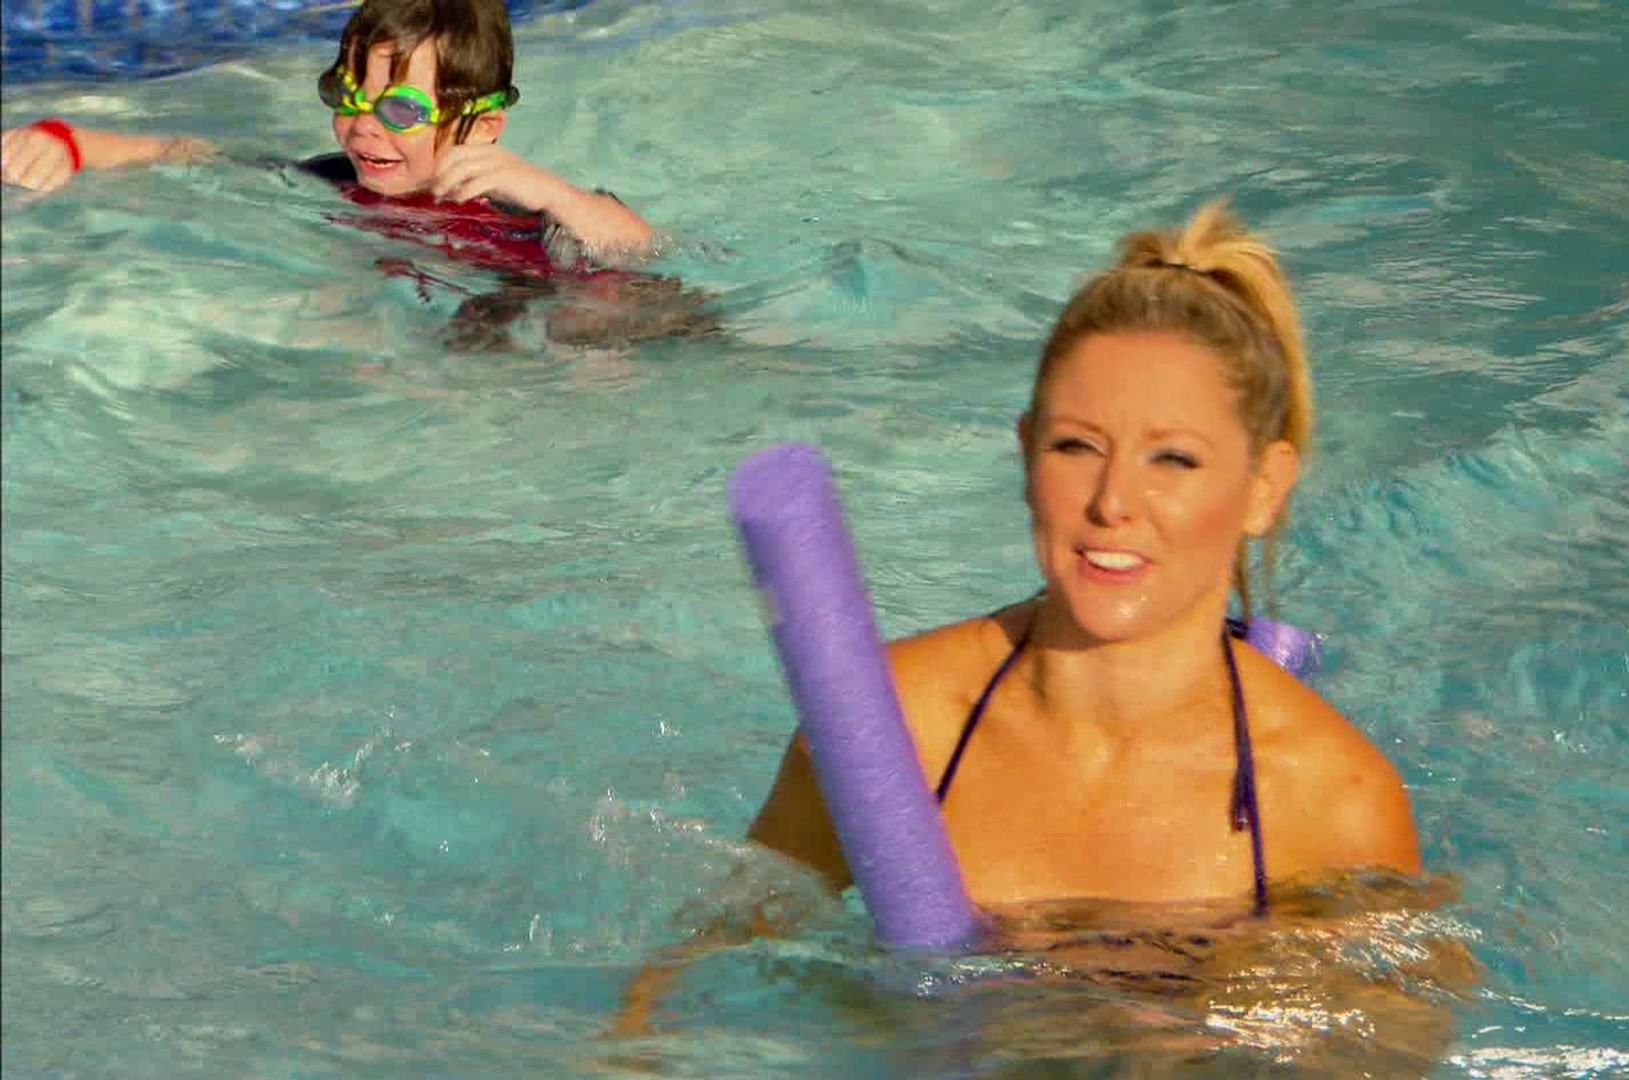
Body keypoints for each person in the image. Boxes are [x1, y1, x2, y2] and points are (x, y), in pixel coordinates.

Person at [611, 202, 1437, 1051]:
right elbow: (696, 974)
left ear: (1264, 487)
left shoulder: (1332, 806)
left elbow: (1388, 1050)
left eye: (1174, 458)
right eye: (1077, 446)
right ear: (1025, 452)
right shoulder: (892, 728)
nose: (1113, 502)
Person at [0, 0, 716, 347]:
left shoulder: (514, 207)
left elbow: (641, 247)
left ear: (482, 126)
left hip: (574, 315)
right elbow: (184, 154)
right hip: (453, 333)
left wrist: (546, 190)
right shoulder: (332, 181)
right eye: (348, 96)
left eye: (401, 109)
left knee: (596, 325)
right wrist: (69, 140)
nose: (365, 125)